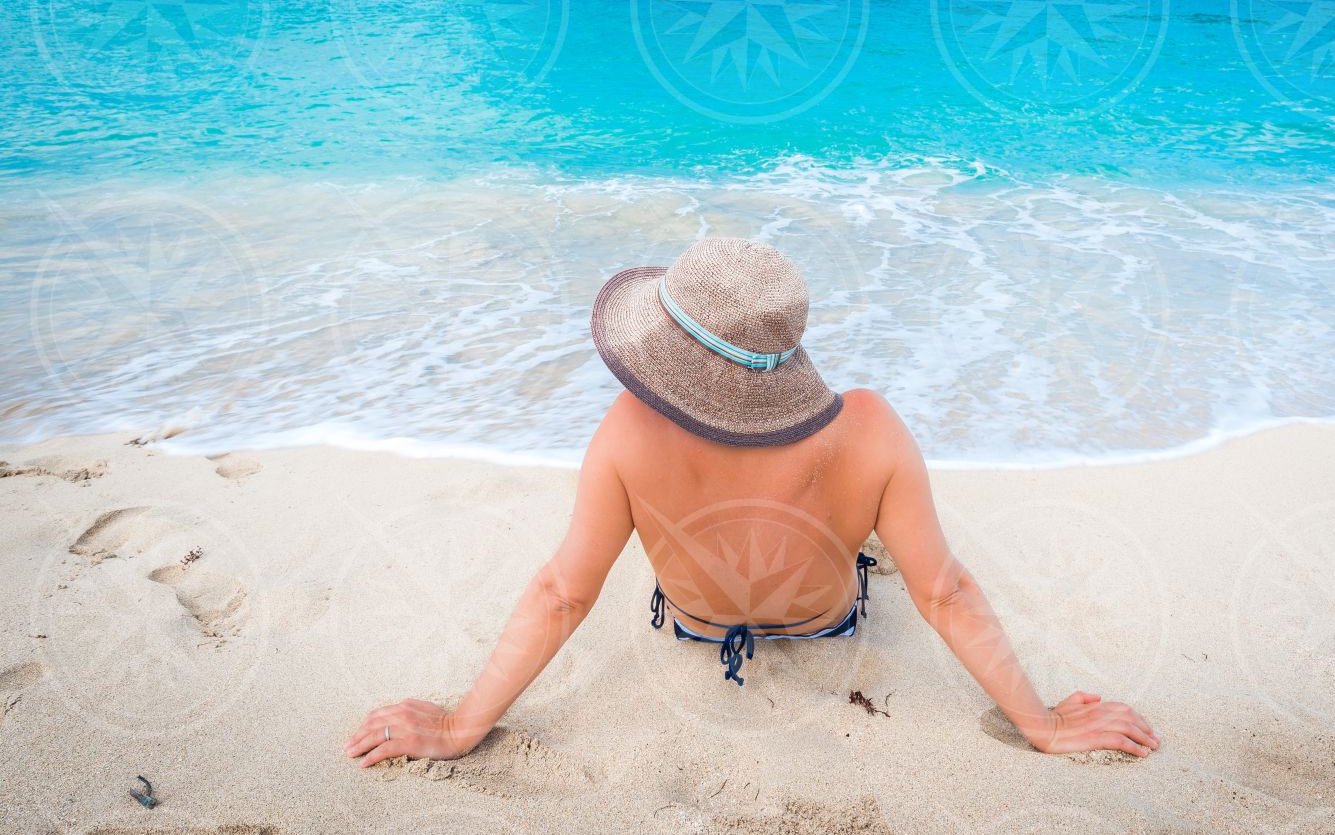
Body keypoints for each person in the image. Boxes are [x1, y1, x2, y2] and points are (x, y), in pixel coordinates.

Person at [344, 238, 1159, 766]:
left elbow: (564, 590)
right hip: (825, 620)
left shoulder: (629, 431)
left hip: (696, 623)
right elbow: (946, 590)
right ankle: (854, 538)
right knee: (887, 550)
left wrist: (460, 726)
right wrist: (1041, 721)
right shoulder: (868, 427)